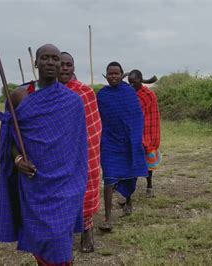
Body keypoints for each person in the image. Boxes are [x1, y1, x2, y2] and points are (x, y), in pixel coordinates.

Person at [0, 44, 88, 265]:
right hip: (34, 183)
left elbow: (78, 148)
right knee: (42, 240)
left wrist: (79, 181)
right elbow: (10, 140)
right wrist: (18, 160)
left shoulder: (72, 102)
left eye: (55, 59)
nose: (51, 63)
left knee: (60, 241)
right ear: (35, 63)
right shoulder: (19, 95)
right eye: (45, 58)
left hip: (65, 185)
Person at [58, 51, 102, 253]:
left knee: (84, 190)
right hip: (56, 154)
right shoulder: (44, 93)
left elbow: (93, 127)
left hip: (83, 152)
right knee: (59, 194)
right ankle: (62, 233)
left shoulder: (85, 92)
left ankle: (87, 231)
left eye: (69, 64)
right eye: (61, 64)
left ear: (74, 67)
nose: (65, 68)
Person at [97, 62, 148, 231]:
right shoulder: (102, 95)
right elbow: (97, 119)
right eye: (110, 73)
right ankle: (108, 218)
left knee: (129, 174)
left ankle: (128, 201)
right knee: (109, 178)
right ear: (106, 75)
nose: (113, 76)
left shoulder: (128, 92)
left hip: (128, 141)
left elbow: (136, 117)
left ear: (121, 75)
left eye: (116, 73)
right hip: (109, 143)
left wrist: (135, 139)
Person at [127, 70, 161, 197]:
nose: (131, 85)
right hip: (133, 131)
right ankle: (127, 188)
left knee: (148, 162)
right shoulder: (129, 94)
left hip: (147, 131)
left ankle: (149, 186)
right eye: (129, 83)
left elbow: (150, 116)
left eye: (134, 82)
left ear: (140, 80)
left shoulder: (149, 95)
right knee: (130, 161)